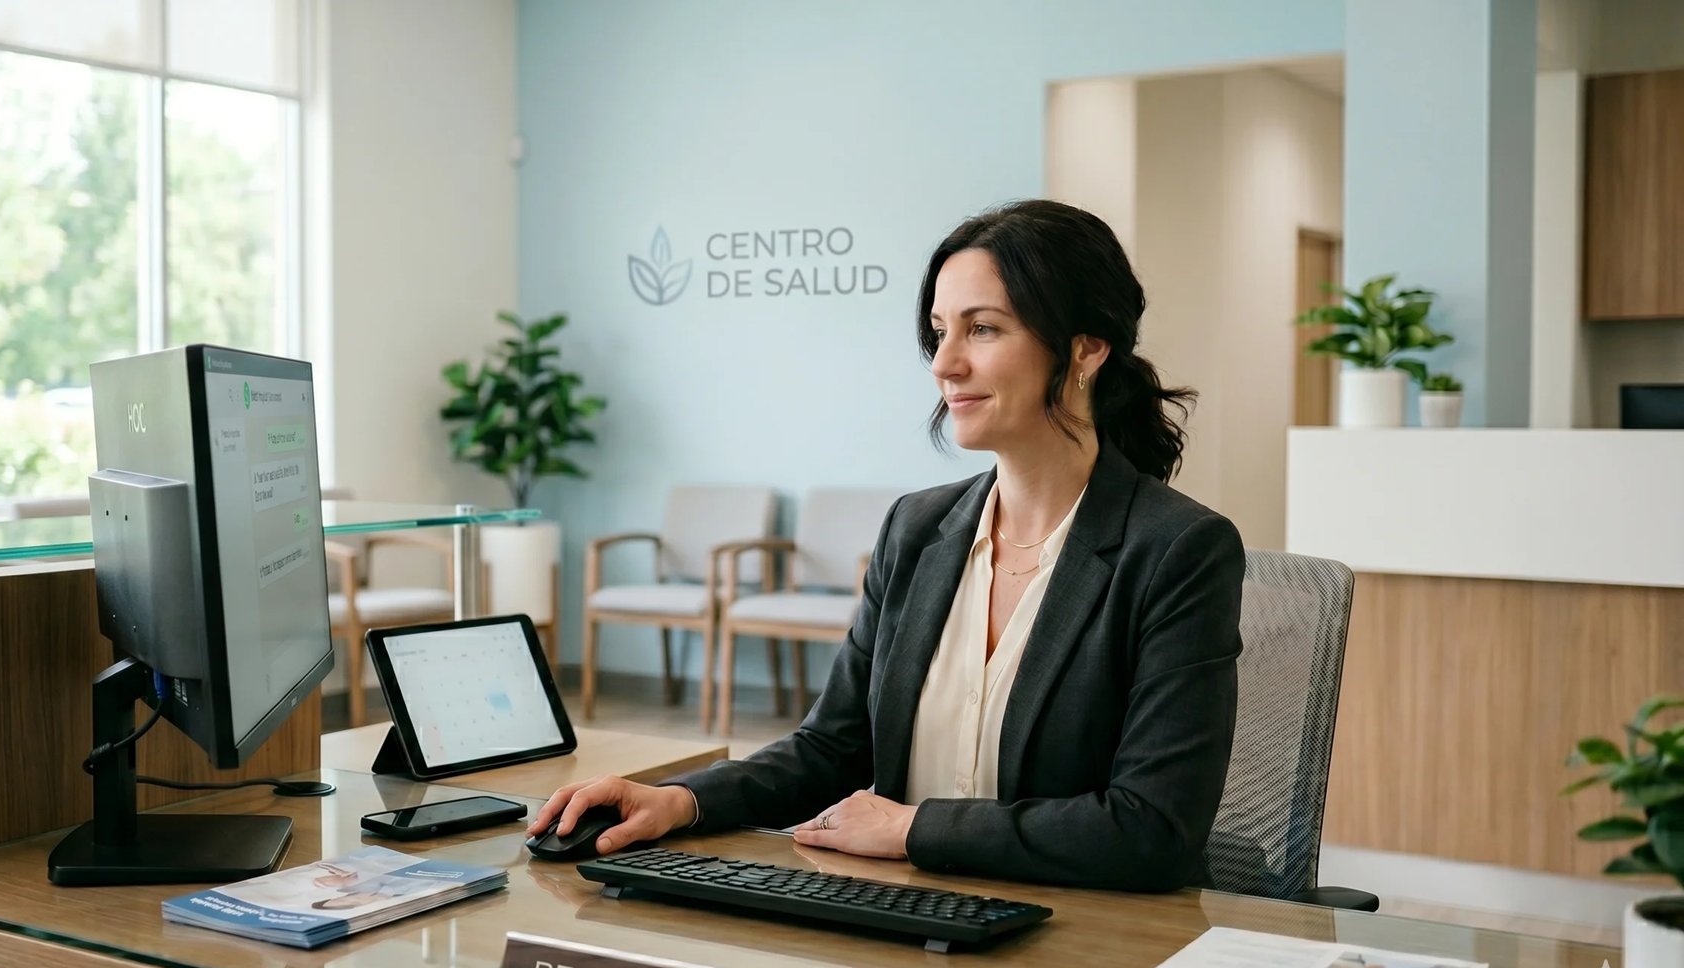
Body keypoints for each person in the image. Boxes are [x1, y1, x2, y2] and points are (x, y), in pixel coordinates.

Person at [528, 199, 1245, 891]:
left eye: (983, 329)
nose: (944, 363)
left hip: (1088, 942)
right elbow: (832, 748)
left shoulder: (1179, 550)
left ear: (1086, 346)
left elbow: (1151, 830)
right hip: (912, 927)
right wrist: (680, 800)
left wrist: (911, 830)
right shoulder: (917, 530)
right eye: (940, 331)